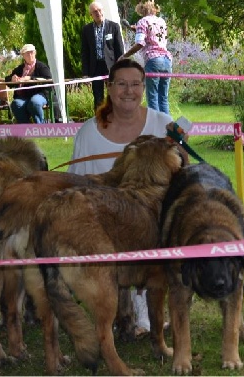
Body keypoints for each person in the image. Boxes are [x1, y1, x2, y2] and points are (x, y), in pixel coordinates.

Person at [68, 58, 174, 337]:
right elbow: (76, 182)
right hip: (100, 226)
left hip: (150, 226)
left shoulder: (164, 125)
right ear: (110, 87)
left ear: (144, 87)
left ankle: (144, 313)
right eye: (122, 84)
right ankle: (112, 310)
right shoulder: (88, 132)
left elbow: (182, 175)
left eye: (136, 84)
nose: (129, 91)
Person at [120, 0, 173, 115]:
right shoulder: (162, 22)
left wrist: (125, 55)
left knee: (152, 97)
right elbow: (154, 38)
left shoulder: (142, 22)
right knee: (163, 98)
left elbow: (140, 43)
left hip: (153, 60)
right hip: (167, 60)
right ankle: (169, 130)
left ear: (142, 10)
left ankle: (155, 129)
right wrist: (137, 30)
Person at [81, 1, 124, 112]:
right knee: (98, 97)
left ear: (103, 10)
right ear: (91, 15)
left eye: (99, 10)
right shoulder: (87, 30)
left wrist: (120, 68)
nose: (98, 13)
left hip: (111, 67)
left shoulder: (113, 26)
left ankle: (117, 120)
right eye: (95, 12)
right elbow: (85, 52)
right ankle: (99, 122)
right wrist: (85, 73)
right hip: (95, 67)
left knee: (114, 95)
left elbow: (119, 50)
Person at [4, 43, 52, 124]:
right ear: (23, 55)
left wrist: (30, 78)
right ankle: (26, 128)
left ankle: (40, 127)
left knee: (34, 102)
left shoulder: (41, 67)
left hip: (40, 94)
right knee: (16, 104)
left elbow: (49, 79)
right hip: (24, 96)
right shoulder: (20, 69)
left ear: (35, 53)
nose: (30, 55)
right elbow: (7, 80)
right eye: (27, 53)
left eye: (32, 52)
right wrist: (12, 79)